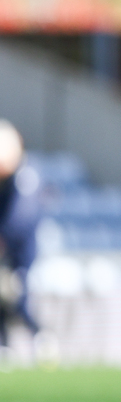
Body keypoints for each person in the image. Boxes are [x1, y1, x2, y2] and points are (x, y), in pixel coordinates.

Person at [0, 120, 42, 354]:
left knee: (18, 296)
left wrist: (4, 239)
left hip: (20, 249)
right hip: (4, 247)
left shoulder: (26, 177)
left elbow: (22, 218)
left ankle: (39, 336)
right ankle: (4, 343)